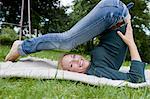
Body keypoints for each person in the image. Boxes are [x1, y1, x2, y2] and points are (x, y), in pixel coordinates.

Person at [5, 0, 132, 61]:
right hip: (114, 13)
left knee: (68, 42)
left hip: (116, 15)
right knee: (67, 41)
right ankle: (22, 47)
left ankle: (23, 47)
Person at [59, 21, 146, 83]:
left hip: (111, 22)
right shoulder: (96, 71)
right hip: (117, 20)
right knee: (67, 38)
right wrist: (131, 43)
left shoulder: (93, 65)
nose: (76, 60)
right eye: (71, 65)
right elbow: (137, 78)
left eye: (73, 56)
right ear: (70, 72)